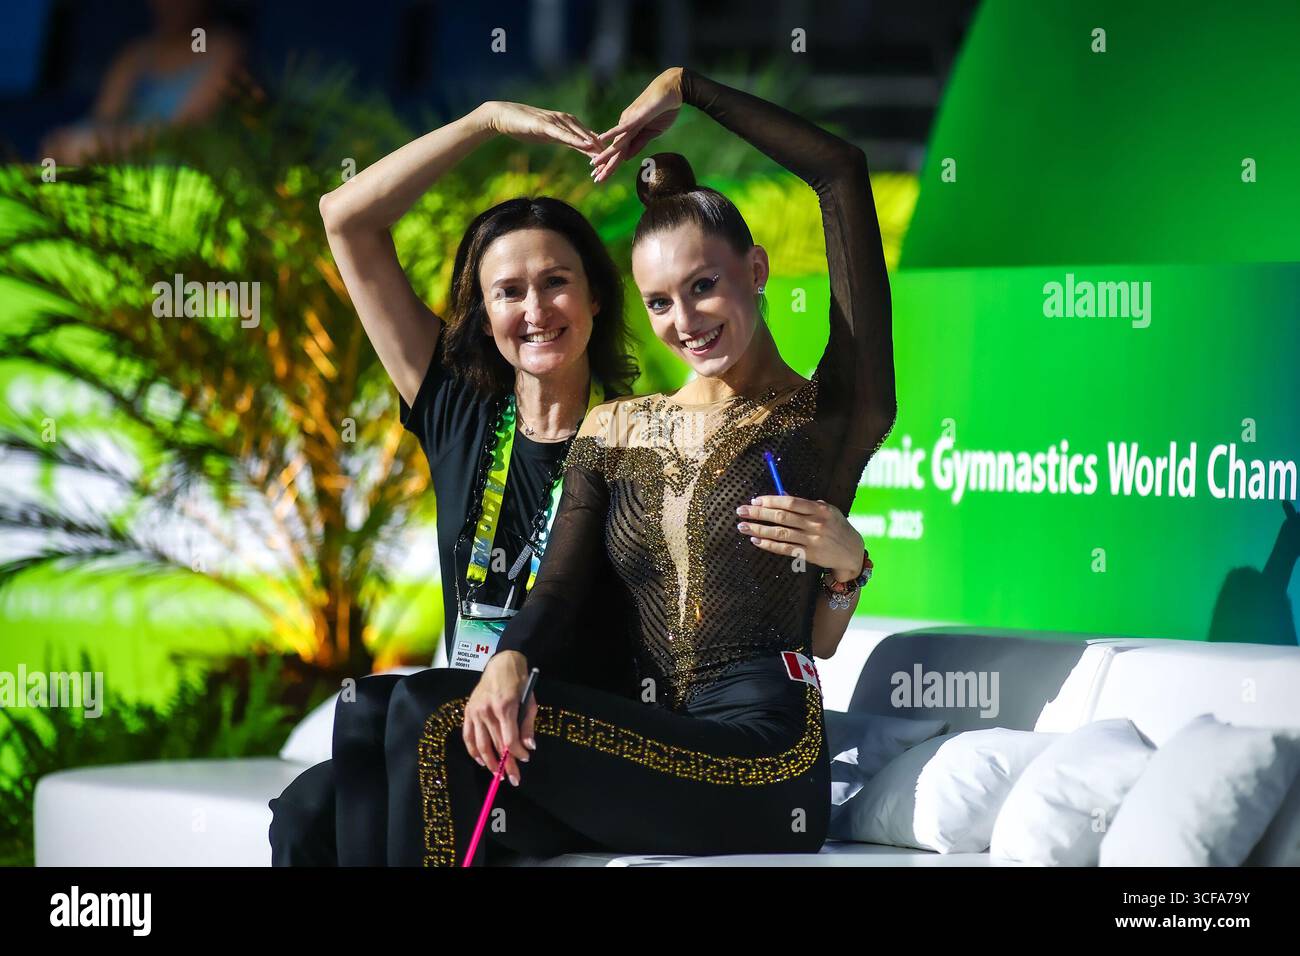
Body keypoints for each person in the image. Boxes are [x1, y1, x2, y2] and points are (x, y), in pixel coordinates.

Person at [377, 65, 895, 866]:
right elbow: (557, 585)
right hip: (648, 734)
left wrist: (690, 91)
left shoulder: (831, 414)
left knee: (432, 714)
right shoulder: (618, 428)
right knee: (395, 745)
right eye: (659, 302)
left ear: (755, 272)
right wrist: (512, 655)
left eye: (704, 287)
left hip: (765, 757)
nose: (684, 321)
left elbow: (840, 172)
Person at [268, 97, 645, 865]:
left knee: (400, 720)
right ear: (484, 312)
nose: (535, 309)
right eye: (509, 291)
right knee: (307, 810)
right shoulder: (457, 406)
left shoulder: (638, 435)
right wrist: (483, 123)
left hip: (570, 746)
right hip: (461, 722)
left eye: (556, 283)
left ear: (596, 296)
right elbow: (346, 219)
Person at [40, 0, 243, 164]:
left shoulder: (224, 49)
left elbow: (182, 131)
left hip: (174, 167)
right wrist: (69, 143)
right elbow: (103, 117)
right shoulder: (135, 54)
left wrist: (105, 146)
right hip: (118, 162)